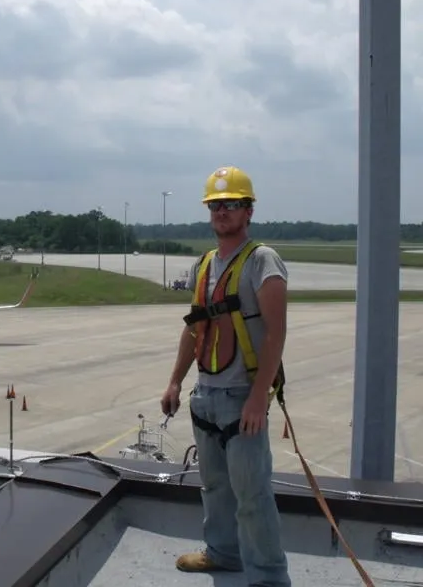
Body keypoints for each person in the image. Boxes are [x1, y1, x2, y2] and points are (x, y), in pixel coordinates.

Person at [160, 165, 292, 586]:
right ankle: (223, 554)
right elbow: (194, 327)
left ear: (248, 211)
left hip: (241, 399)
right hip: (207, 396)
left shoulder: (262, 261)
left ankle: (269, 578)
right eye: (216, 205)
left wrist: (258, 398)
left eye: (231, 205)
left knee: (252, 497)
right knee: (215, 487)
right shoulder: (204, 266)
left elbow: (276, 332)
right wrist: (175, 381)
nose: (222, 212)